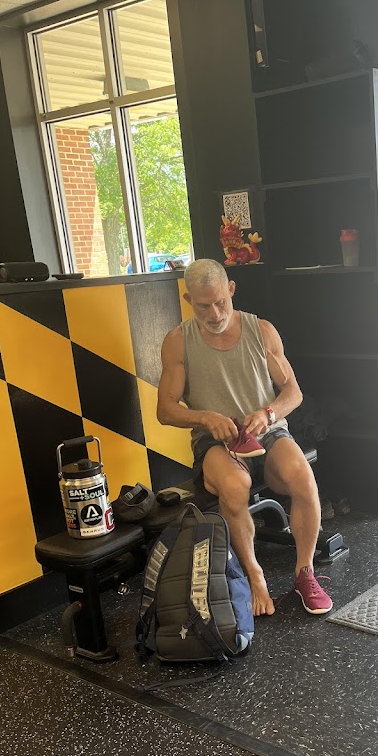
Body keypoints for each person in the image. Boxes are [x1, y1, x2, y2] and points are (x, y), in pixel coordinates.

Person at [156, 258, 332, 618]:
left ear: (232, 289)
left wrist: (268, 413)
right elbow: (165, 409)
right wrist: (204, 416)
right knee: (236, 486)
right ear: (189, 300)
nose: (215, 313)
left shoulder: (261, 330)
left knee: (303, 478)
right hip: (215, 441)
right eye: (204, 305)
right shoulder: (178, 342)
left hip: (266, 430)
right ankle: (254, 577)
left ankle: (305, 574)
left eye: (221, 301)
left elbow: (293, 392)